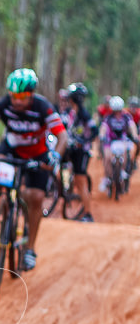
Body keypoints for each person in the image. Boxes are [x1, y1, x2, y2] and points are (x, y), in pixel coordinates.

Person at [0, 68, 67, 271]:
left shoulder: (42, 107)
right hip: (12, 148)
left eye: (21, 97)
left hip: (37, 153)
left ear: (31, 94)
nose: (17, 101)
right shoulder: (4, 104)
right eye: (14, 96)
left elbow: (63, 136)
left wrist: (55, 156)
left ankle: (30, 249)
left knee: (36, 197)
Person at [63, 82, 96, 222]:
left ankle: (88, 214)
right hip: (72, 149)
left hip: (82, 152)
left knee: (81, 181)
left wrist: (84, 142)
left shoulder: (84, 115)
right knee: (72, 176)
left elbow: (94, 131)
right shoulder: (71, 113)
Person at [97, 95, 139, 193]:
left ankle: (123, 171)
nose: (117, 113)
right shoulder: (108, 117)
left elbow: (132, 125)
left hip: (122, 140)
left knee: (125, 153)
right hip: (110, 140)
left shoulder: (126, 116)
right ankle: (108, 177)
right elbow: (103, 127)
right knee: (107, 157)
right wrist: (101, 135)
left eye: (119, 110)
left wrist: (135, 135)